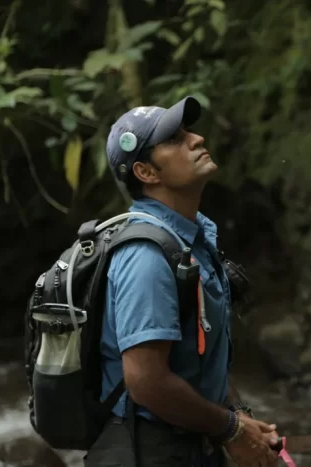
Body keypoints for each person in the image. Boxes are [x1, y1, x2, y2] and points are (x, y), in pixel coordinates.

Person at [83, 96, 281, 467]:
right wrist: (231, 431)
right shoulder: (146, 255)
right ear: (146, 172)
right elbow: (145, 380)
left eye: (188, 131)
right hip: (151, 453)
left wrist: (239, 417)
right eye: (175, 139)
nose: (197, 139)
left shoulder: (192, 241)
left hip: (191, 445)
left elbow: (202, 360)